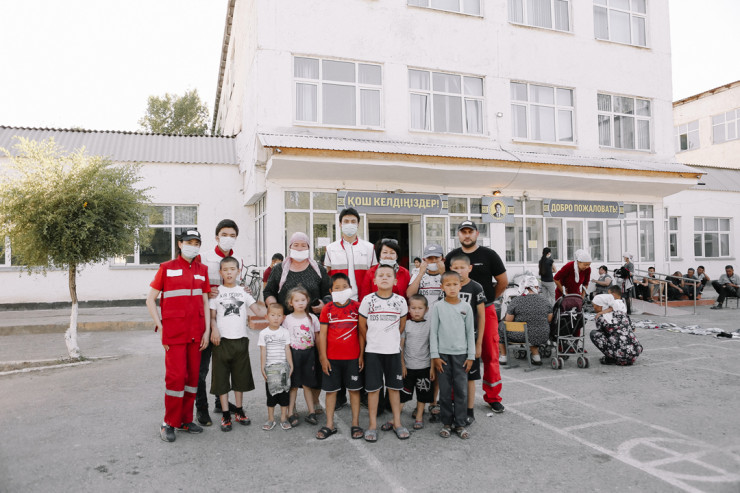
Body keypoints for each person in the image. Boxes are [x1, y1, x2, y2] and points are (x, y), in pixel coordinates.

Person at [145, 229, 211, 442]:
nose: (193, 246)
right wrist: (161, 327)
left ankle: (185, 420)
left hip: (196, 333)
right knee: (176, 378)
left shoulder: (202, 270)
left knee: (192, 378)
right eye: (189, 242)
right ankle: (168, 422)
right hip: (174, 334)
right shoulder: (166, 268)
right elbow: (150, 299)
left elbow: (205, 301)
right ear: (180, 244)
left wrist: (207, 331)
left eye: (196, 243)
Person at [445, 220, 507, 414]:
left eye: (470, 232)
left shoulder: (489, 255)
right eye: (463, 232)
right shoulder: (452, 257)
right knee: (456, 353)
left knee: (490, 353)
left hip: (485, 310)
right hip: (457, 312)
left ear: (477, 234)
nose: (467, 235)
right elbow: (447, 281)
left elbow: (503, 281)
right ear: (458, 235)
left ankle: (493, 397)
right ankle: (455, 396)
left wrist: (488, 300)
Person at [323, 208, 377, 408]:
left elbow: (373, 275)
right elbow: (328, 277)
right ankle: (339, 395)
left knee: (361, 346)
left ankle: (360, 391)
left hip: (361, 303)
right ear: (340, 224)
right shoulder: (330, 248)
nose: (349, 224)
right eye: (346, 221)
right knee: (338, 346)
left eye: (353, 221)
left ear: (358, 224)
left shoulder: (369, 248)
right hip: (339, 303)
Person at [209, 256, 265, 432]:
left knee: (240, 378)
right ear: (220, 273)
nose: (229, 273)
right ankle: (226, 414)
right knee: (221, 379)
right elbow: (212, 317)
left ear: (238, 271)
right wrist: (214, 329)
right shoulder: (216, 292)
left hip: (240, 340)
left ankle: (239, 411)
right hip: (221, 342)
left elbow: (258, 311)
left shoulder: (243, 292)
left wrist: (278, 311)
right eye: (225, 270)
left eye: (232, 269)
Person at [197, 219, 242, 426]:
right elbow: (195, 285)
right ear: (216, 237)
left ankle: (219, 402)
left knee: (223, 366)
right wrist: (206, 291)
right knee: (202, 369)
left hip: (227, 321)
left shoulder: (238, 260)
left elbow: (235, 287)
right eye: (224, 234)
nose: (228, 238)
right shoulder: (203, 258)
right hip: (205, 321)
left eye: (232, 235)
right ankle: (201, 408)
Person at [359, 265, 409, 442]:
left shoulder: (400, 301)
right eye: (381, 275)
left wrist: (391, 339)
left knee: (394, 388)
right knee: (374, 389)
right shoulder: (368, 300)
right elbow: (362, 325)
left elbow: (402, 326)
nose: (385, 278)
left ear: (395, 281)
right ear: (374, 280)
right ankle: (372, 425)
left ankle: (397, 422)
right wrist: (373, 340)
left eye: (389, 275)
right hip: (373, 351)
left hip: (393, 351)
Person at [316, 273, 364, 440]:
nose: (341, 290)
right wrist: (323, 358)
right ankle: (329, 424)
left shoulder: (357, 307)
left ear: (350, 288)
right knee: (331, 392)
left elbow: (361, 333)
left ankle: (355, 423)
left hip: (353, 358)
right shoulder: (327, 309)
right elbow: (322, 335)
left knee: (354, 391)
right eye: (337, 288)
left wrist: (361, 355)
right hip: (332, 359)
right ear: (331, 291)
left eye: (345, 287)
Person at [430, 271, 475, 439]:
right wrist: (435, 356)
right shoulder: (438, 307)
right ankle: (447, 423)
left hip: (461, 356)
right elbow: (433, 332)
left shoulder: (466, 307)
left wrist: (471, 356)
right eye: (448, 285)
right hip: (442, 356)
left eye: (455, 284)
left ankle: (460, 424)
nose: (452, 288)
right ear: (442, 287)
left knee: (461, 391)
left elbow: (470, 333)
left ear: (460, 286)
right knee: (445, 391)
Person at [448, 255, 486, 424]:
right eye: (455, 268)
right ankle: (451, 408)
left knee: (470, 377)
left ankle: (469, 410)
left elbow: (482, 316)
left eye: (462, 267)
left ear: (470, 268)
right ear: (450, 269)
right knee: (451, 375)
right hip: (450, 340)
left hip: (469, 340)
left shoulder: (476, 287)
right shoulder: (449, 286)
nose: (459, 271)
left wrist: (478, 344)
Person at [283, 287, 321, 428]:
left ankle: (311, 412)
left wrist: (321, 355)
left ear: (307, 301)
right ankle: (290, 412)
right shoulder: (287, 319)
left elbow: (317, 337)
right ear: (290, 302)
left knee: (307, 385)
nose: (300, 303)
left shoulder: (312, 318)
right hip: (294, 354)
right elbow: (285, 340)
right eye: (297, 300)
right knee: (293, 385)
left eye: (303, 300)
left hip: (309, 354)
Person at [501, 275, 553, 366]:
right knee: (533, 329)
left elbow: (508, 320)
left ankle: (503, 356)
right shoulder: (545, 300)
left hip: (521, 336)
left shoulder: (516, 301)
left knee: (501, 326)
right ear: (536, 287)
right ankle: (536, 356)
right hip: (543, 335)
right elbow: (549, 319)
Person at [400, 294, 434, 431]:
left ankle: (419, 416)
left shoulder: (430, 325)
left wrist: (432, 367)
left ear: (426, 309)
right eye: (413, 308)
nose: (417, 311)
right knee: (403, 395)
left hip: (424, 367)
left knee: (422, 394)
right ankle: (395, 418)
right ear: (409, 309)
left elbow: (433, 347)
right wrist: (402, 364)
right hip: (408, 367)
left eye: (420, 308)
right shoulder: (406, 324)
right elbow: (401, 346)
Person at [258, 304, 294, 431]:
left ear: (283, 318)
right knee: (271, 396)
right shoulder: (263, 333)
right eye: (273, 315)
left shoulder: (285, 332)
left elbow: (287, 349)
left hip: (283, 368)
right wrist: (262, 367)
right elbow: (263, 350)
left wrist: (291, 364)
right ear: (266, 317)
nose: (276, 318)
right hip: (270, 369)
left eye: (279, 315)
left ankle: (284, 418)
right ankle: (271, 419)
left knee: (284, 395)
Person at [590, 286, 643, 366]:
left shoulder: (601, 317)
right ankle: (623, 353)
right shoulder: (622, 313)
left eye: (595, 305)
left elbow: (603, 332)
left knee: (594, 334)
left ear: (601, 305)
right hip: (635, 351)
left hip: (620, 353)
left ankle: (611, 357)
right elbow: (633, 329)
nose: (593, 308)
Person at [407, 243, 445, 309]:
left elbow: (454, 294)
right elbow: (410, 295)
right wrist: (421, 273)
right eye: (430, 258)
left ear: (443, 259)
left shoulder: (449, 275)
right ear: (424, 260)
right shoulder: (417, 275)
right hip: (424, 314)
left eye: (436, 258)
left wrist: (443, 274)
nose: (433, 261)